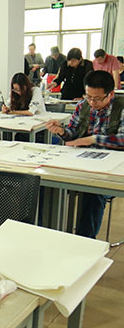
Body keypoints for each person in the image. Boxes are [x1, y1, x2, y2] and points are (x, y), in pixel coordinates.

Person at [46, 71, 124, 238]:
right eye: (88, 97)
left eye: (97, 99)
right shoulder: (83, 106)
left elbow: (122, 139)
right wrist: (62, 131)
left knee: (94, 191)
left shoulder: (121, 107)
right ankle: (50, 234)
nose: (92, 102)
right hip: (82, 161)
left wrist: (93, 139)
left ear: (110, 94)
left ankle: (85, 240)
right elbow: (73, 135)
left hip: (112, 169)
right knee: (47, 182)